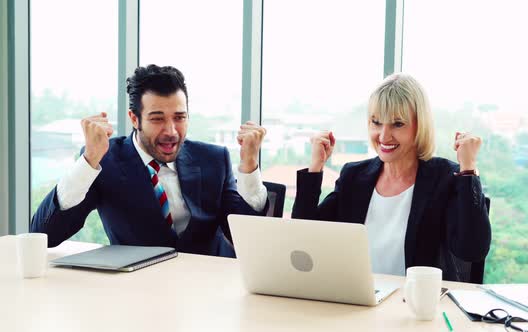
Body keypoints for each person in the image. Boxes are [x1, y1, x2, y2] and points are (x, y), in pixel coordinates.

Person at [31, 64, 268, 257]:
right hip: (140, 291)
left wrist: (249, 167)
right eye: (157, 119)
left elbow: (251, 240)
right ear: (134, 118)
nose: (171, 131)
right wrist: (89, 160)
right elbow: (45, 235)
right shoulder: (106, 161)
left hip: (211, 286)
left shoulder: (214, 159)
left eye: (179, 117)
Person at [292, 73, 491, 278]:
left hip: (415, 305)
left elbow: (472, 250)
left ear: (419, 125)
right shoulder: (354, 176)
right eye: (376, 122)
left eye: (397, 124)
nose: (384, 136)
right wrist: (316, 166)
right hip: (358, 301)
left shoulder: (444, 178)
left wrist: (468, 168)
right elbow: (304, 238)